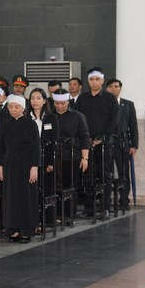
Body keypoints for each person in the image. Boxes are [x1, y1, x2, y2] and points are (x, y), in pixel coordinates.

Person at [75, 67, 118, 217]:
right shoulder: (82, 99)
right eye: (92, 79)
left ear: (102, 81)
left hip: (105, 144)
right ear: (88, 81)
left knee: (105, 175)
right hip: (86, 144)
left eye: (97, 79)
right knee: (88, 176)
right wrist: (86, 140)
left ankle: (105, 207)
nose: (94, 82)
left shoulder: (110, 98)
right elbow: (78, 120)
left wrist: (101, 138)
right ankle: (89, 208)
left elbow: (113, 121)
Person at [0, 95, 40, 243]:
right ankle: (12, 229)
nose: (13, 110)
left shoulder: (30, 124)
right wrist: (0, 166)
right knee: (11, 197)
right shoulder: (5, 124)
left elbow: (36, 147)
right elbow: (1, 147)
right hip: (9, 165)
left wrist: (34, 167)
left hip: (26, 165)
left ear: (23, 108)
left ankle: (27, 230)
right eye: (11, 107)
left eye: (17, 107)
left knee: (26, 197)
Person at [51, 89, 90, 221]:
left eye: (63, 103)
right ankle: (55, 214)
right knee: (54, 186)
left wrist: (85, 158)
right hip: (54, 157)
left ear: (68, 101)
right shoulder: (50, 116)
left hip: (72, 156)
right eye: (57, 103)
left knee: (70, 186)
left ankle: (69, 215)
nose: (60, 106)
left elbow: (85, 137)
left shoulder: (78, 116)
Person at [106, 79, 138, 211]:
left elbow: (133, 126)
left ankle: (124, 200)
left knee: (123, 172)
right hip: (107, 142)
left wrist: (134, 145)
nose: (114, 89)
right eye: (111, 87)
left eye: (116, 86)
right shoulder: (104, 104)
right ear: (107, 89)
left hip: (122, 142)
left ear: (120, 88)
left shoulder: (128, 104)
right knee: (106, 172)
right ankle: (106, 203)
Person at [28, 88, 58, 228]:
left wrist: (51, 162)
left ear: (45, 100)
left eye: (38, 98)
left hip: (46, 159)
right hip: (30, 159)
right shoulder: (26, 117)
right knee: (32, 190)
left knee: (46, 189)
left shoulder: (51, 118)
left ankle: (47, 219)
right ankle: (33, 220)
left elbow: (54, 141)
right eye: (32, 98)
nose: (35, 101)